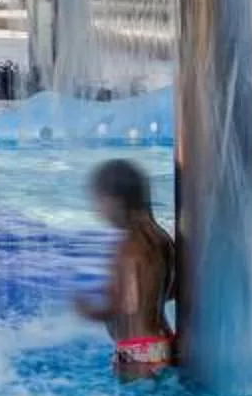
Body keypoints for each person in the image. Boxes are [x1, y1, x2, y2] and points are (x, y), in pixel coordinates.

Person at [76, 158, 179, 381]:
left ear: (116, 201)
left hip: (137, 353)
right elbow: (171, 292)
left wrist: (90, 310)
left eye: (98, 202)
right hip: (163, 342)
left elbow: (125, 306)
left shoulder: (127, 247)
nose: (98, 211)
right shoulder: (161, 239)